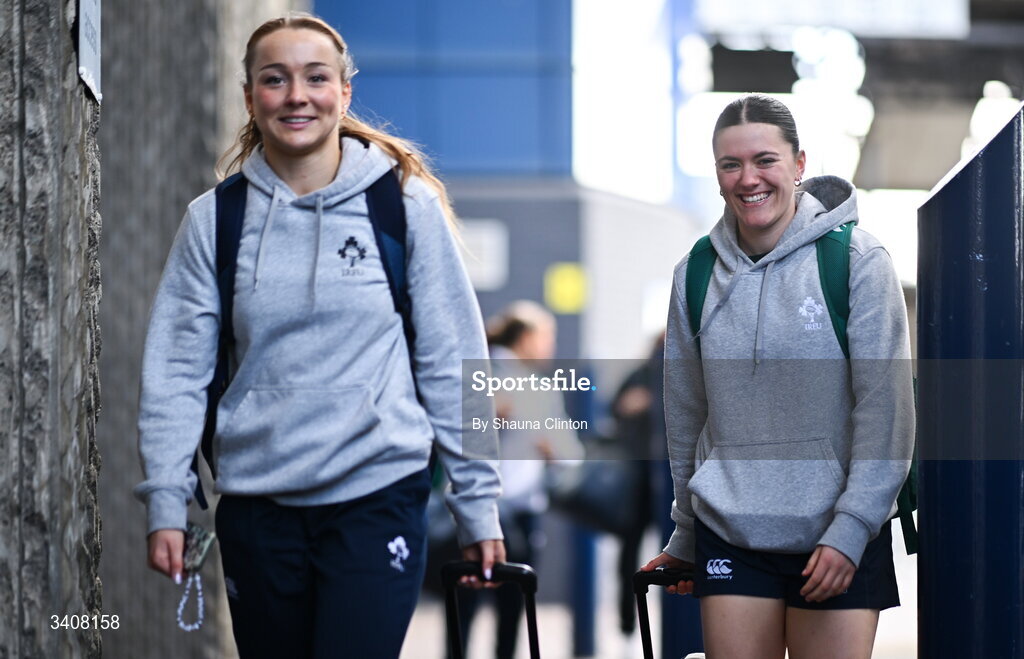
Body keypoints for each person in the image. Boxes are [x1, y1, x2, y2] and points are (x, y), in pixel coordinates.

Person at [134, 13, 504, 658]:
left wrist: (477, 502)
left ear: (344, 91)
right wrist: (167, 500)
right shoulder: (214, 221)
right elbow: (175, 373)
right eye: (275, 80)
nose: (297, 95)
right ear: (251, 97)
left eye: (315, 77)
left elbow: (455, 361)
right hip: (257, 505)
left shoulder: (401, 205)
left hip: (376, 493)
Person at [641, 94, 914, 659]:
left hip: (837, 531)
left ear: (799, 164)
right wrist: (688, 534)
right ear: (716, 173)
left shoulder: (857, 262)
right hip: (731, 530)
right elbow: (687, 415)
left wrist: (853, 526)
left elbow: (885, 410)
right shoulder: (694, 274)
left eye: (765, 160)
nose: (748, 179)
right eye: (730, 164)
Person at [453, 300, 582, 659]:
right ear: (525, 338)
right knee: (500, 604)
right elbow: (569, 453)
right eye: (546, 337)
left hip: (512, 510)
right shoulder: (501, 378)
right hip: (497, 509)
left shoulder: (524, 383)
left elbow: (566, 453)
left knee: (474, 604)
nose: (550, 347)